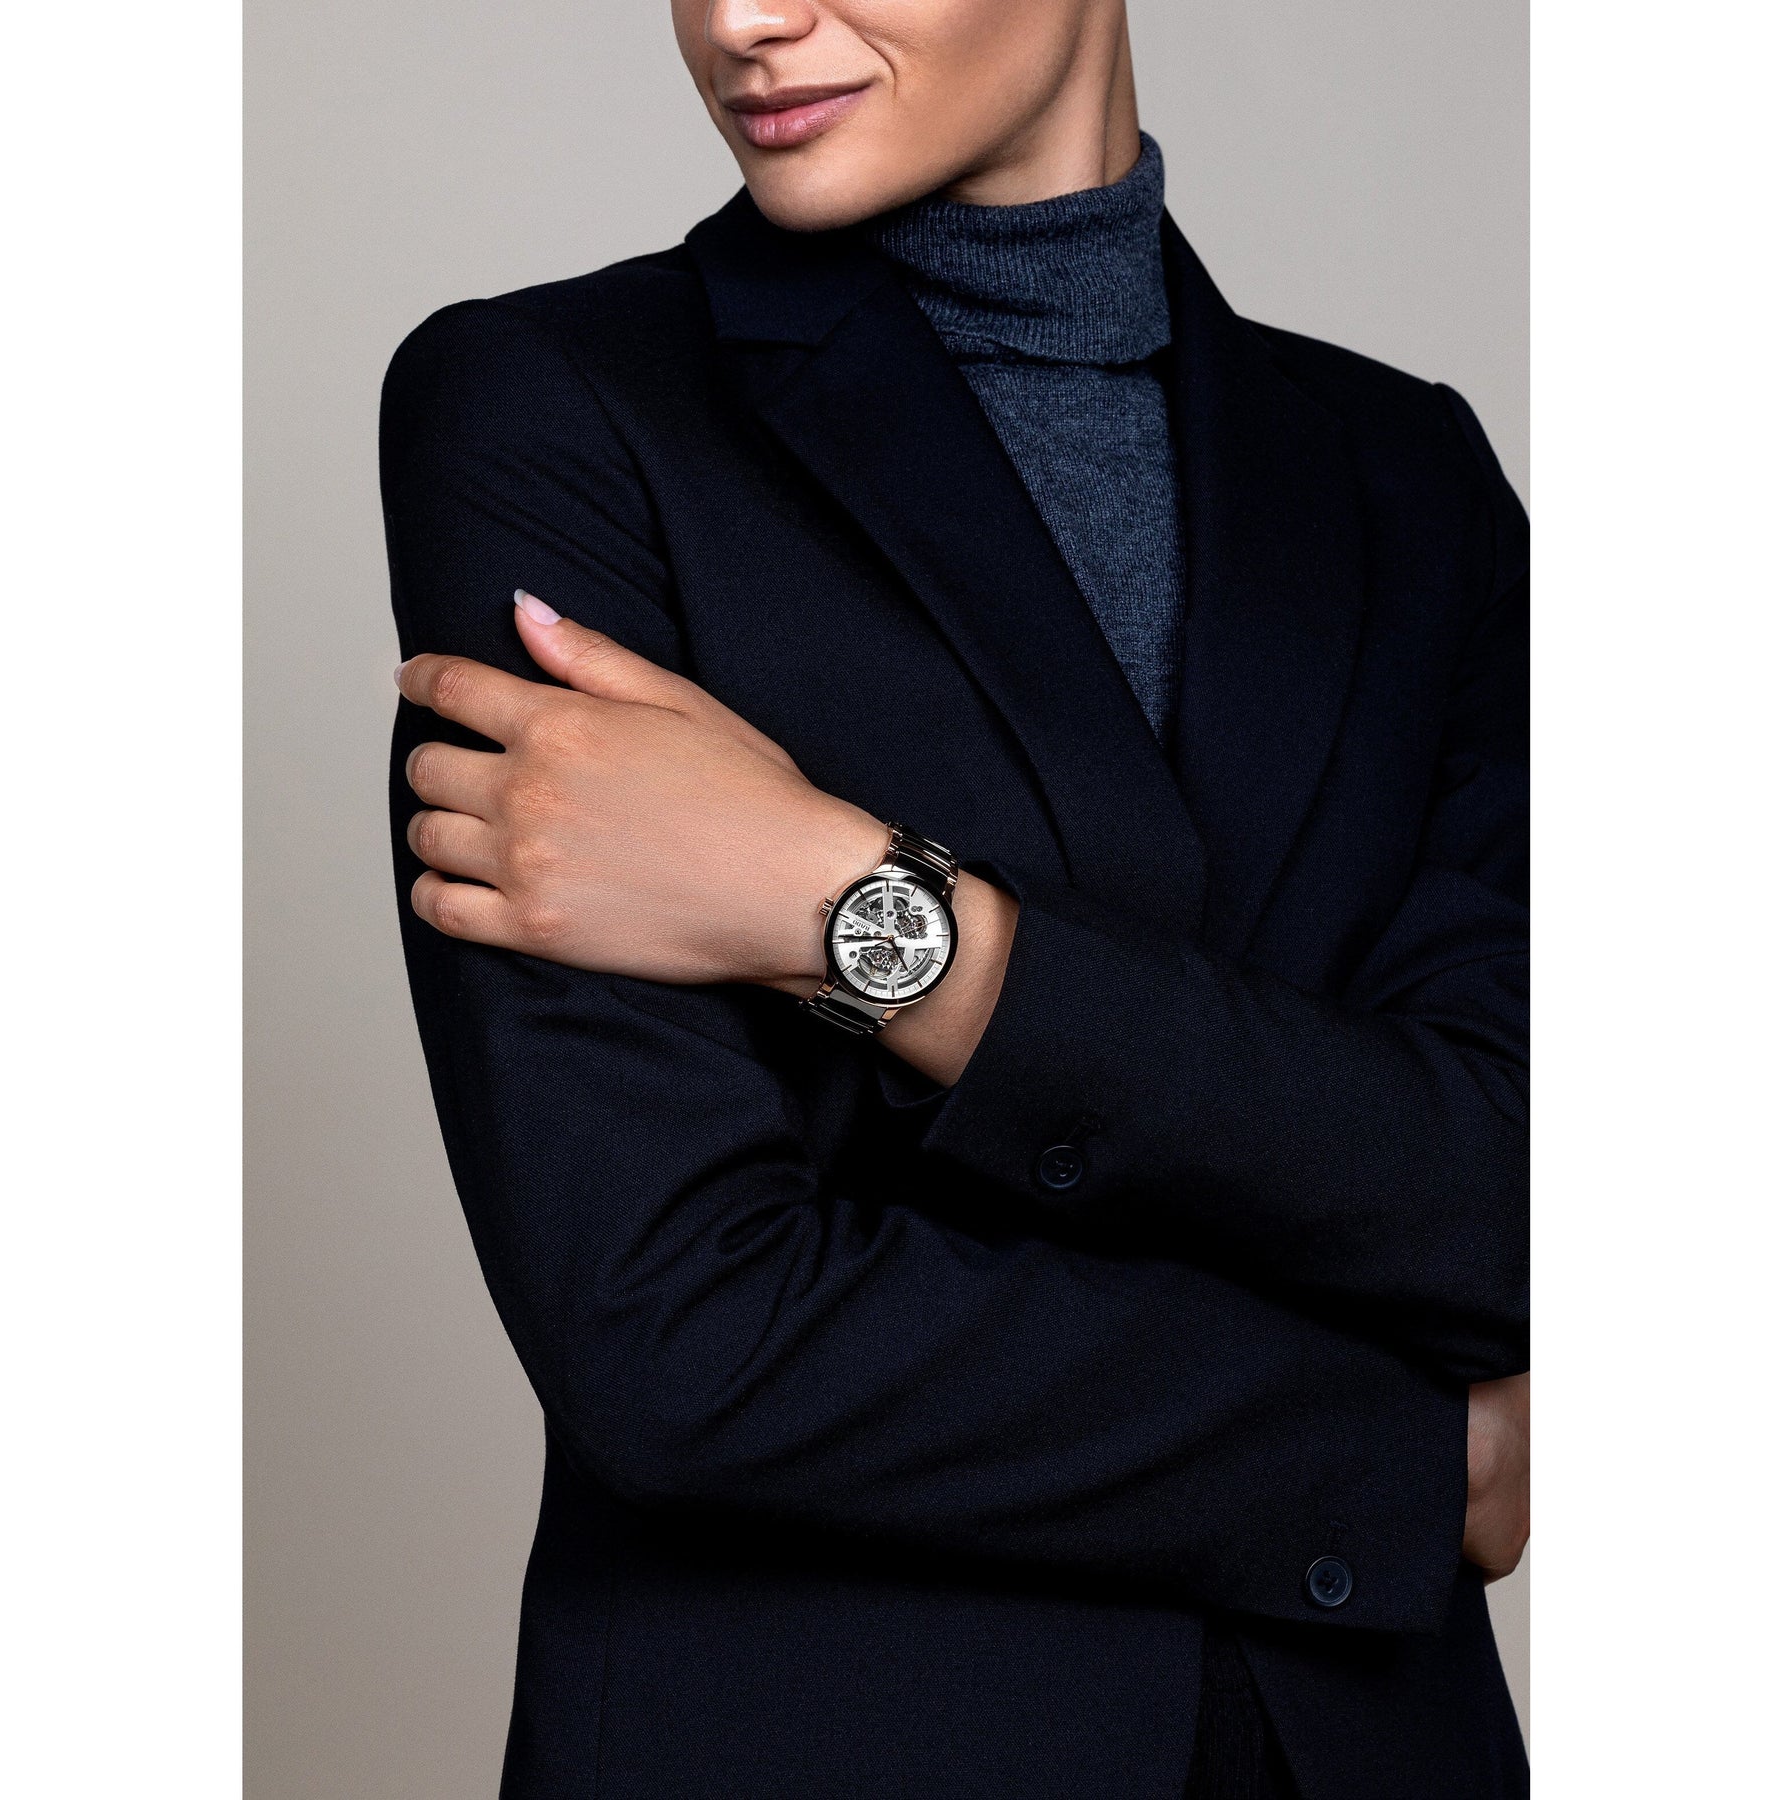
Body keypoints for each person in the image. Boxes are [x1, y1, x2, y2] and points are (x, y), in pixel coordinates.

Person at [380, 1, 1530, 1794]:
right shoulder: (557, 405)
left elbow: (1521, 1202)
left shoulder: (1410, 476)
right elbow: (681, 1335)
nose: (743, 20)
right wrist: (1400, 1461)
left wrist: (862, 915)